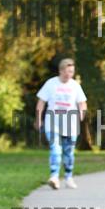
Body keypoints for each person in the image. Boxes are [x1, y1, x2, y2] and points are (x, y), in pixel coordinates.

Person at [35, 58, 88, 190]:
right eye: (67, 71)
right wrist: (38, 119)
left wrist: (81, 114)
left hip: (70, 124)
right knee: (56, 149)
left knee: (69, 153)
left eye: (72, 72)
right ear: (60, 70)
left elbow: (82, 103)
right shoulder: (51, 84)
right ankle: (54, 176)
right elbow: (41, 102)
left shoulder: (75, 85)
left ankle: (68, 177)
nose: (69, 74)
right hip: (53, 122)